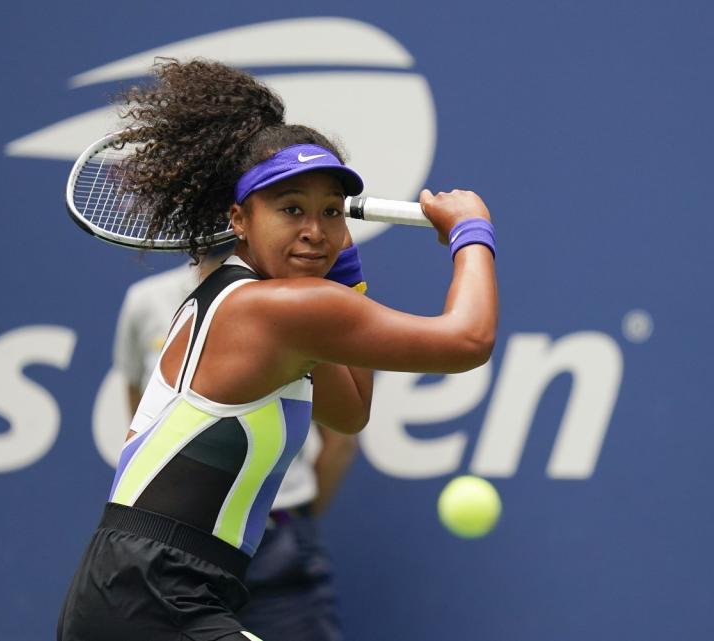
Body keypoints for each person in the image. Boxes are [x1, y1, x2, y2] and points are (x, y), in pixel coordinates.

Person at [57, 59, 497, 641]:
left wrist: (348, 281)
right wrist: (472, 231)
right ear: (239, 219)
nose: (314, 229)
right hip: (151, 595)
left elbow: (350, 410)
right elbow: (468, 340)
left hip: (142, 591)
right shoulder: (275, 311)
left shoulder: (261, 301)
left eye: (331, 213)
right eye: (292, 209)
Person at [112, 243, 357, 641]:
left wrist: (280, 516)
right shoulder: (145, 303)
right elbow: (141, 428)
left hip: (279, 549)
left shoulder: (304, 310)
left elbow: (343, 437)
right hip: (172, 556)